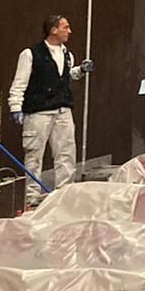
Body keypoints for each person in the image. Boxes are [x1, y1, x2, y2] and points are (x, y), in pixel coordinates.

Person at [7, 15, 92, 205]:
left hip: (63, 110)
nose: (69, 31)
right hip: (38, 112)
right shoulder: (30, 54)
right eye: (65, 27)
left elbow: (65, 76)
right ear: (54, 30)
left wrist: (81, 71)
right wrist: (15, 107)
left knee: (66, 154)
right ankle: (32, 198)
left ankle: (64, 195)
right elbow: (19, 83)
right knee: (34, 155)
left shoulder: (67, 55)